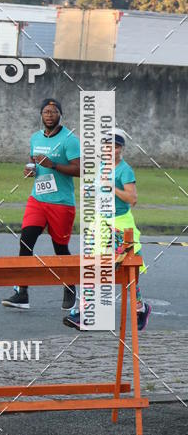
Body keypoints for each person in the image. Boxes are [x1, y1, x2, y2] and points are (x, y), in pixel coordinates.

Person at [64, 131, 151, 330]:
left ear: (121, 149)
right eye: (107, 146)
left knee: (127, 270)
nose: (111, 150)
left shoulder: (125, 170)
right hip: (100, 223)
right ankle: (86, 312)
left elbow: (132, 199)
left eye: (115, 146)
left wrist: (112, 187)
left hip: (120, 224)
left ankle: (140, 308)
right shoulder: (102, 166)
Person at [2, 98, 81, 312]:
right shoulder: (35, 138)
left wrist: (53, 164)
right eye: (46, 111)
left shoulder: (70, 140)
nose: (49, 115)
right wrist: (31, 170)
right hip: (37, 199)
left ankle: (70, 287)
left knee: (60, 248)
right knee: (26, 240)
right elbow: (34, 163)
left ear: (60, 115)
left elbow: (80, 169)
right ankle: (22, 292)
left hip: (61, 203)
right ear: (41, 114)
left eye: (53, 112)